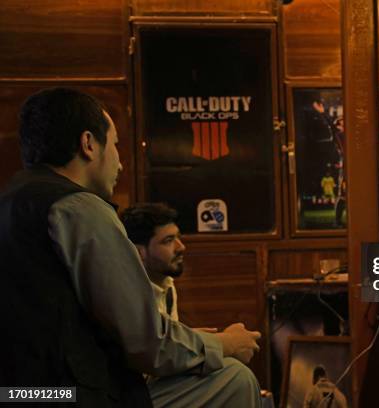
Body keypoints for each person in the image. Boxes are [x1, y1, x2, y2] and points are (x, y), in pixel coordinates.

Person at [0, 88, 261, 407]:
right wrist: (223, 343)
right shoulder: (79, 208)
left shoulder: (11, 201)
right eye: (115, 145)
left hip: (19, 394)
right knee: (233, 378)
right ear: (88, 144)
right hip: (70, 396)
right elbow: (147, 344)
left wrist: (193, 341)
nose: (121, 164)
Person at [120, 202, 261, 406]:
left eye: (178, 237)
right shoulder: (127, 291)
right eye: (168, 241)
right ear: (140, 252)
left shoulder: (166, 284)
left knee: (225, 370)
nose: (181, 247)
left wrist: (197, 338)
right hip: (109, 395)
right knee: (237, 377)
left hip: (148, 385)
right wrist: (226, 343)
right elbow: (155, 354)